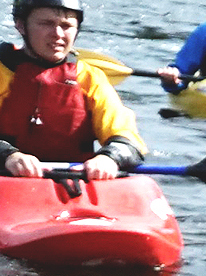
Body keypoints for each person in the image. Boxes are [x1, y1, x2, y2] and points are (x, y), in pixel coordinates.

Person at [0, 0, 144, 180]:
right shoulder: (2, 71)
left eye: (66, 26)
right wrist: (8, 155)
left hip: (74, 179)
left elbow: (126, 136)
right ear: (20, 25)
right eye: (46, 24)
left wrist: (109, 158)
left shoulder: (90, 78)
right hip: (6, 176)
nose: (58, 34)